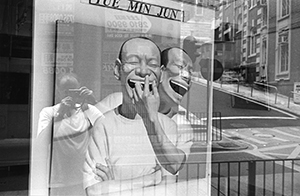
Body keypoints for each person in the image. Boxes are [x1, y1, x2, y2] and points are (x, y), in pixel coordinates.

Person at [83, 37, 187, 195]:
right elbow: (94, 191)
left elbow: (169, 187)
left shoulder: (168, 126)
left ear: (160, 74)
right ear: (118, 69)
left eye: (152, 64)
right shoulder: (103, 125)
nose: (143, 71)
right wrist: (153, 178)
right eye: (133, 61)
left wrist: (114, 185)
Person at [36, 73, 103, 196]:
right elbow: (40, 143)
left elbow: (108, 128)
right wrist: (59, 115)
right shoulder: (49, 113)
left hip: (84, 179)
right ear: (58, 91)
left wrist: (94, 101)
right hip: (59, 180)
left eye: (73, 92)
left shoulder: (88, 110)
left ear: (80, 90)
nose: (69, 96)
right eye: (66, 92)